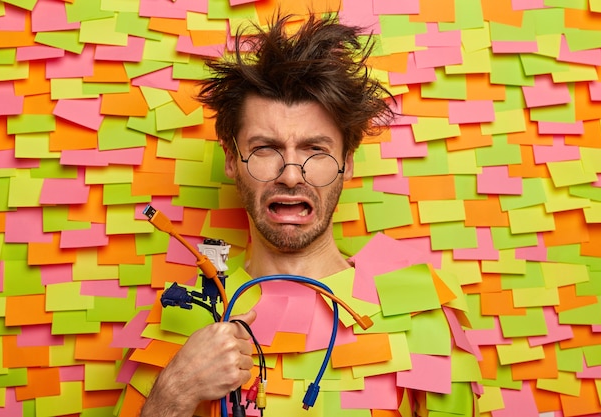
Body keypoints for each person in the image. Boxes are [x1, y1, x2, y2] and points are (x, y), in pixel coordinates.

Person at [134, 12, 479, 417]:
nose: (291, 175)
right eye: (266, 148)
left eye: (316, 150)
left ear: (347, 163)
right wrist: (175, 391)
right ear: (231, 159)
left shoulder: (420, 310)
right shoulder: (184, 313)